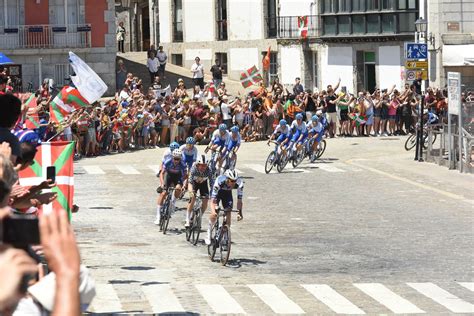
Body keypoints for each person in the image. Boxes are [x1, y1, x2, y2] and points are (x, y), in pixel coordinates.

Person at [205, 169, 243, 245]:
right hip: (218, 193)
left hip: (227, 194)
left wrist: (240, 212)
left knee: (228, 211)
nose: (233, 183)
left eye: (235, 181)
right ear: (227, 179)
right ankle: (208, 233)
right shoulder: (219, 181)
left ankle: (225, 236)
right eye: (231, 181)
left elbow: (239, 200)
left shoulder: (239, 183)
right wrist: (214, 211)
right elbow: (212, 201)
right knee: (214, 213)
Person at [155, 149, 187, 226]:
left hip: (178, 177)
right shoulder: (168, 162)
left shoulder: (182, 164)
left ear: (180, 158)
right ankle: (158, 215)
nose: (176, 161)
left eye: (178, 159)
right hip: (168, 176)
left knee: (178, 189)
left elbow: (186, 175)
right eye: (175, 159)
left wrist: (184, 185)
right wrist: (162, 184)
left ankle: (173, 204)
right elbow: (162, 173)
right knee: (163, 193)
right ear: (172, 158)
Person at [185, 154, 211, 227]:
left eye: (205, 165)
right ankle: (187, 218)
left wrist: (213, 193)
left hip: (203, 184)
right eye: (201, 165)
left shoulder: (209, 170)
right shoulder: (193, 169)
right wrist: (190, 192)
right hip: (193, 184)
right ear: (197, 165)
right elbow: (190, 182)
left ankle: (199, 216)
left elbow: (212, 182)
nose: (203, 167)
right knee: (192, 198)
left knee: (205, 201)